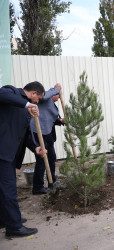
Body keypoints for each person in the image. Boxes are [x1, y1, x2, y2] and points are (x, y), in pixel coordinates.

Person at [0, 81, 47, 238]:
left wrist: (35, 148)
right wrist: (27, 104)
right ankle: (14, 226)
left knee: (4, 190)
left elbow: (25, 135)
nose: (37, 102)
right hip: (2, 152)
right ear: (33, 93)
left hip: (8, 155)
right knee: (9, 190)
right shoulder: (11, 92)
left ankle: (5, 219)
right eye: (38, 98)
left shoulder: (26, 110)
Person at [30, 84, 64, 195]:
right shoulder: (44, 98)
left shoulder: (51, 104)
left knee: (51, 157)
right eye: (57, 95)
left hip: (47, 133)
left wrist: (61, 121)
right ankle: (37, 187)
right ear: (53, 94)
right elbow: (44, 96)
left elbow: (51, 118)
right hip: (38, 132)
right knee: (42, 160)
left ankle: (52, 181)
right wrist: (56, 89)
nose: (59, 97)